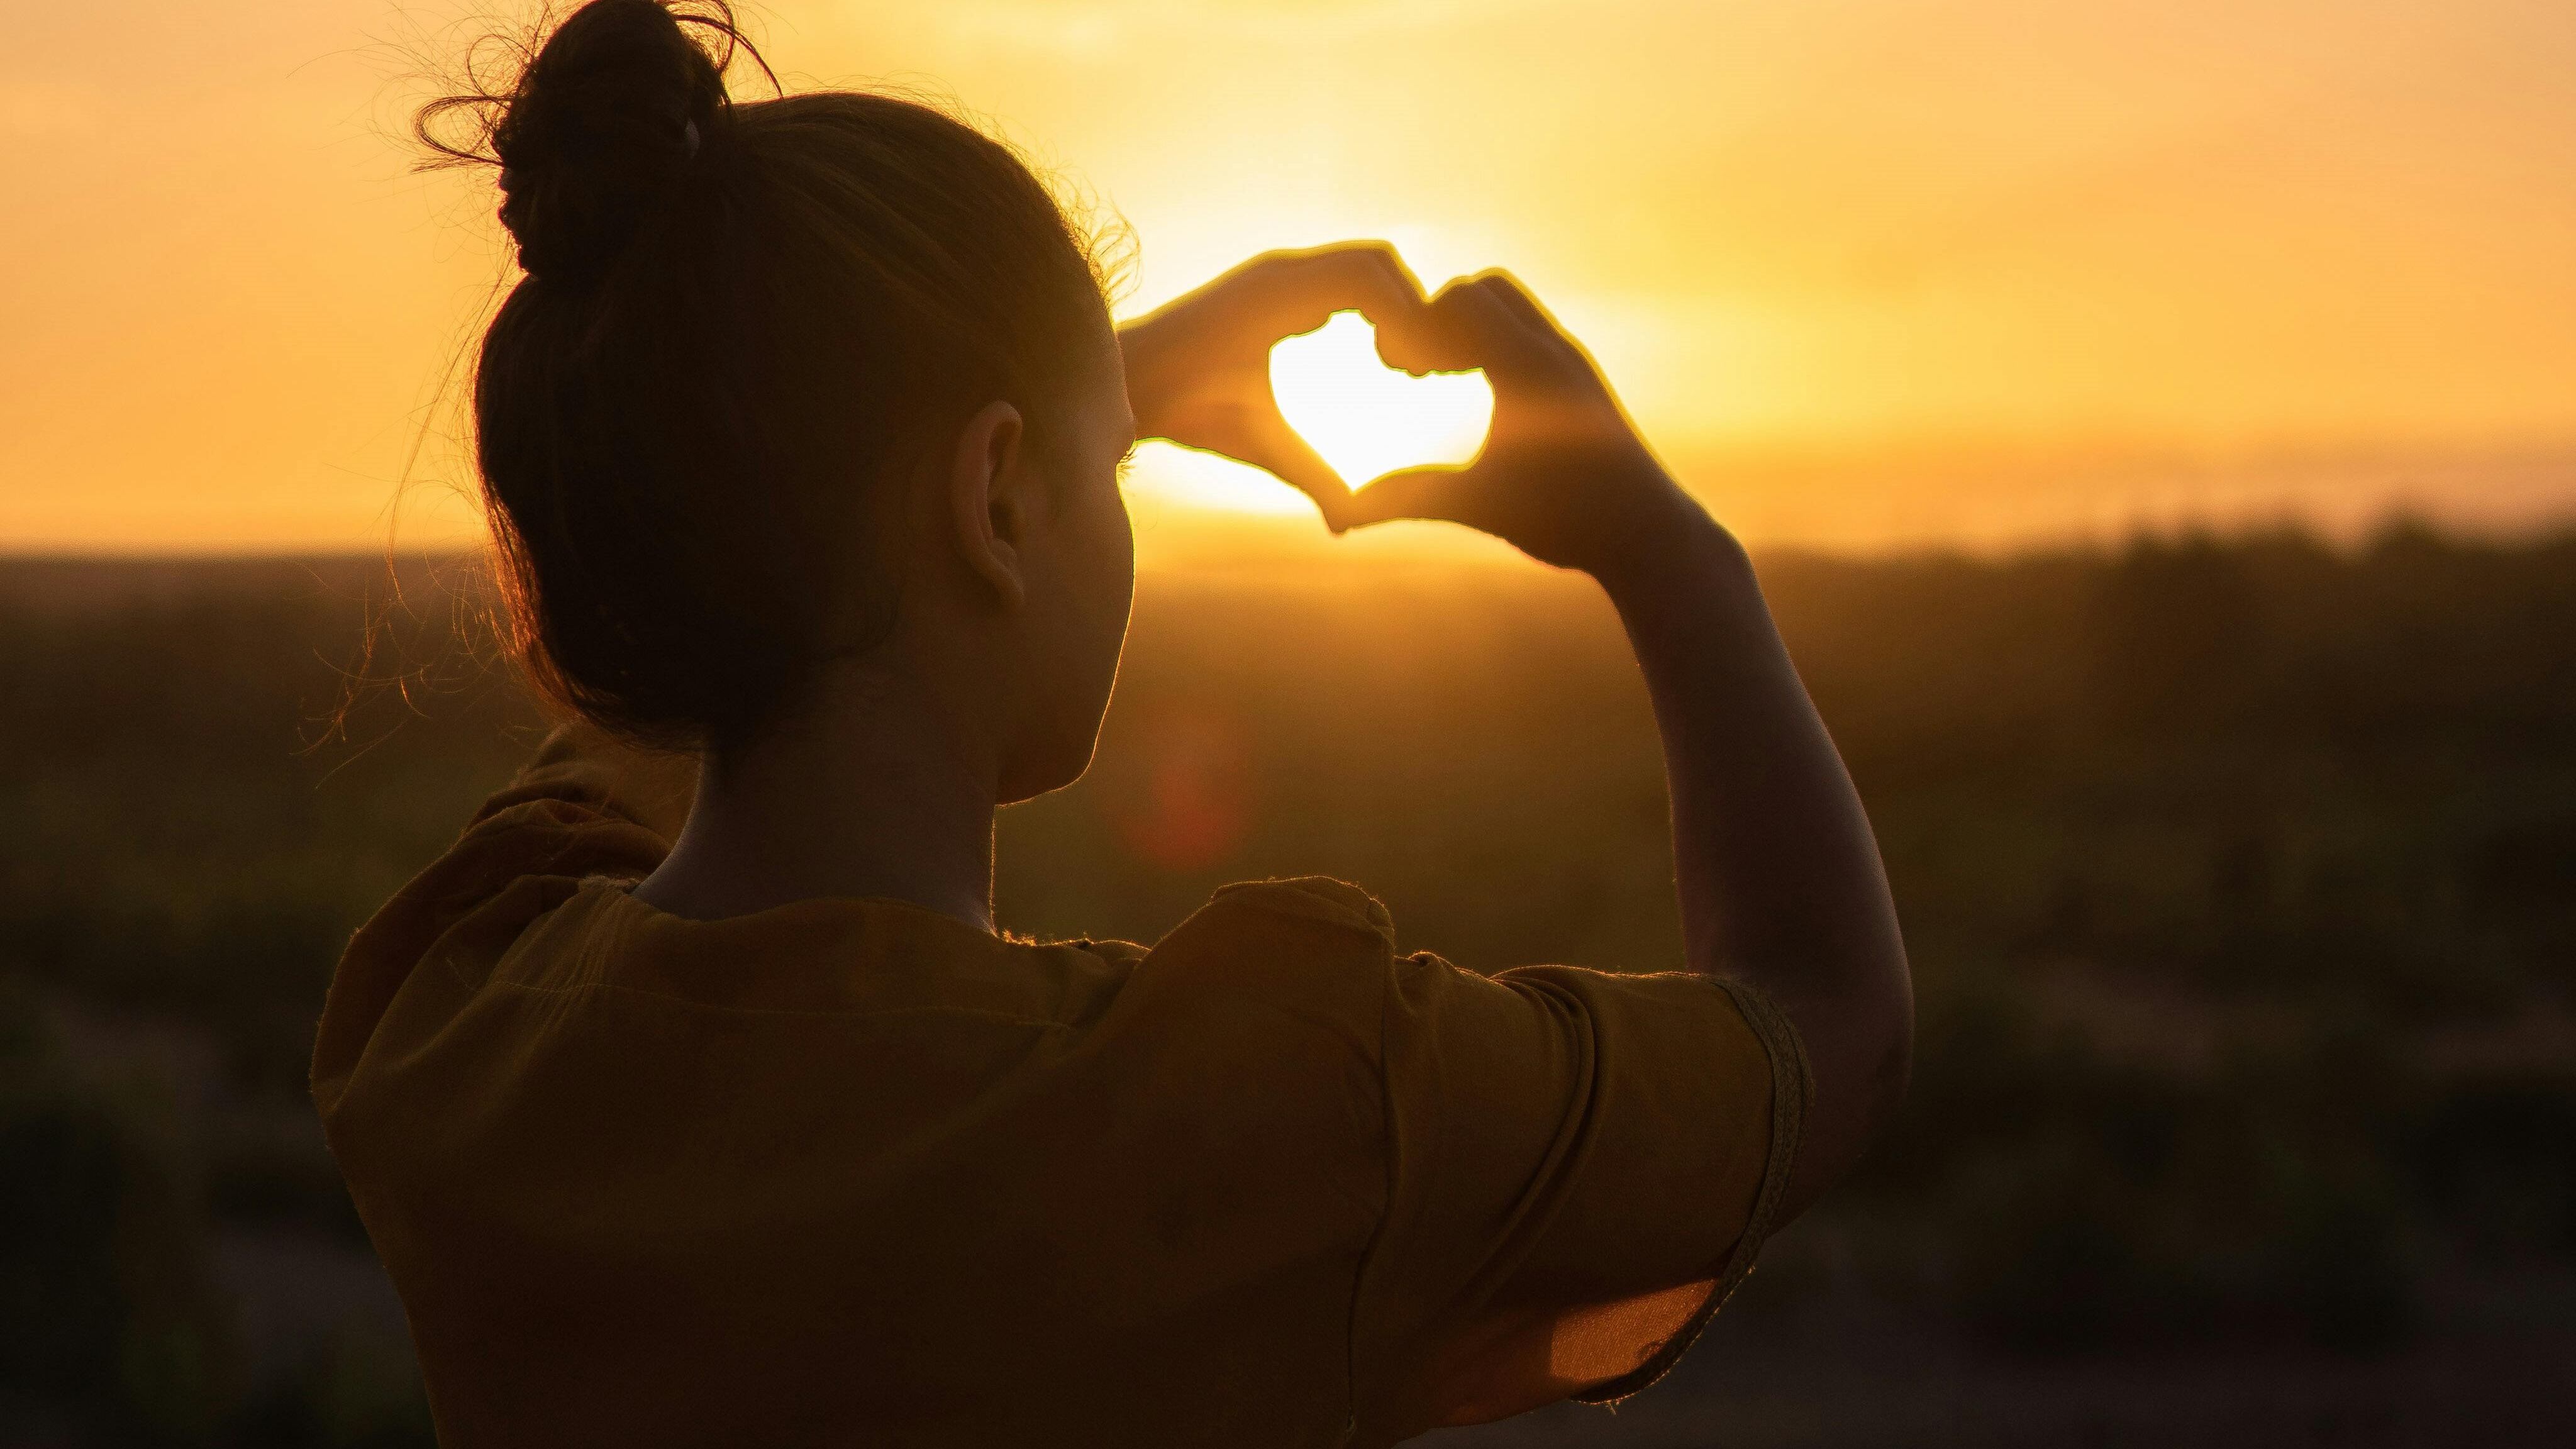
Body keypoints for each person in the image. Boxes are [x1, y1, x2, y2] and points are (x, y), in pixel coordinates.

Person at [311, 1, 1913, 1443]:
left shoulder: (460, 1019)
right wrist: (1668, 553)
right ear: (998, 498)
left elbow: (704, 641)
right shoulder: (1272, 1114)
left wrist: (1036, 398)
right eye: (1116, 464)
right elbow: (1827, 1029)